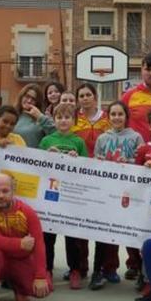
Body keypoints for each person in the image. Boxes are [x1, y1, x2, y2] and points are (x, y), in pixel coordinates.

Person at [0, 174, 52, 301]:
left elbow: (39, 245)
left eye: (5, 191)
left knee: (43, 290)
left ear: (13, 191)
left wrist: (40, 276)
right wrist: (20, 243)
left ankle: (19, 287)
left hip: (19, 260)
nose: (1, 195)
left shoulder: (27, 212)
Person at [91, 101, 144, 289]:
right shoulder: (103, 139)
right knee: (108, 231)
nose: (116, 117)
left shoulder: (136, 137)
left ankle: (138, 266)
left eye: (120, 114)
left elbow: (142, 162)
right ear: (108, 117)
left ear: (126, 116)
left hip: (130, 191)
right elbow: (96, 163)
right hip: (108, 191)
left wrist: (128, 161)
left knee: (132, 231)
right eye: (113, 114)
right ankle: (108, 268)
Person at [39, 103, 90, 289]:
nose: (63, 120)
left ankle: (75, 270)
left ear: (74, 121)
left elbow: (87, 169)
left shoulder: (78, 142)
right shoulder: (46, 141)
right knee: (48, 236)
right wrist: (46, 156)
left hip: (70, 196)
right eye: (59, 117)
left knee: (72, 237)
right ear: (54, 120)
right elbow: (37, 167)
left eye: (67, 117)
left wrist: (78, 159)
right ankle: (47, 270)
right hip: (50, 194)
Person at [12, 83, 55, 148]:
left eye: (33, 99)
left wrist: (40, 116)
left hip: (35, 157)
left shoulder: (42, 118)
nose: (29, 101)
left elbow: (56, 134)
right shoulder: (12, 115)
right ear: (21, 96)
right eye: (27, 96)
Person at [73, 83, 110, 157]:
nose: (85, 98)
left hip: (102, 164)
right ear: (78, 100)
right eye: (81, 96)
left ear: (95, 97)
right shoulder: (73, 118)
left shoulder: (107, 118)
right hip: (79, 163)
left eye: (88, 95)